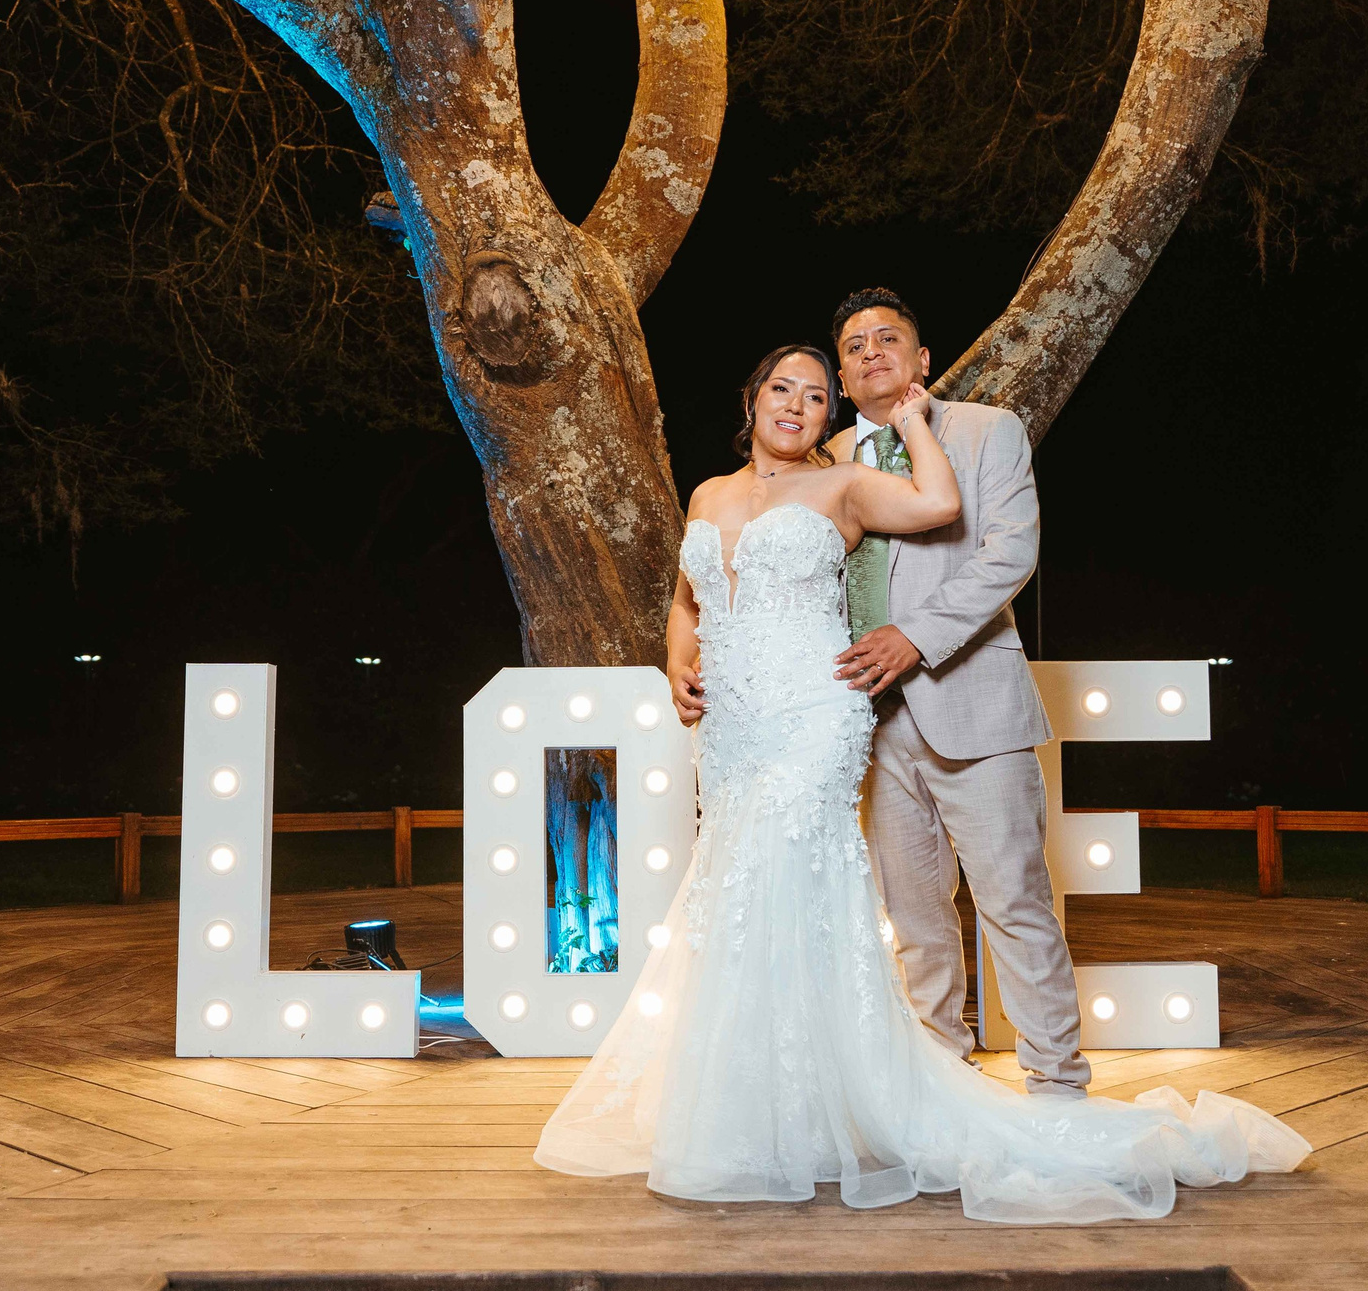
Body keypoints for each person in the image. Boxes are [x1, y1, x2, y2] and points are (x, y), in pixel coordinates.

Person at [533, 343, 1307, 1221]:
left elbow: (940, 503)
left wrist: (909, 420)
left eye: (817, 397)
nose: (797, 405)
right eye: (782, 390)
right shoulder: (707, 496)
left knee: (798, 881)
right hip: (735, 731)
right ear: (749, 401)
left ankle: (942, 1096)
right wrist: (678, 665)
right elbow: (687, 600)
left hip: (814, 717)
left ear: (829, 419)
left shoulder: (843, 488)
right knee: (739, 902)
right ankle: (760, 1110)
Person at [827, 288, 1084, 1095]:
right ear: (839, 375)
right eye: (856, 345)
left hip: (972, 702)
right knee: (914, 919)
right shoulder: (828, 461)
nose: (873, 351)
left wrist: (916, 637)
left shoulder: (985, 431)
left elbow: (1010, 554)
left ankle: (1056, 1084)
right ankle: (940, 1082)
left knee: (1015, 899)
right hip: (869, 720)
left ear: (921, 359)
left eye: (889, 338)